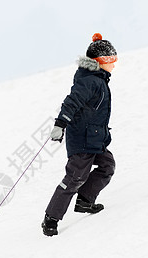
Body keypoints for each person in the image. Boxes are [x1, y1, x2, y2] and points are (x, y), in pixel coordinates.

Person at [42, 33, 117, 236]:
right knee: (75, 176)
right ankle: (51, 217)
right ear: (100, 62)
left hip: (95, 138)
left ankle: (85, 200)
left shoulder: (99, 80)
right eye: (110, 60)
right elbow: (72, 102)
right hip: (82, 139)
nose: (114, 64)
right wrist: (60, 124)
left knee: (107, 166)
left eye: (115, 59)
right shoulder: (90, 81)